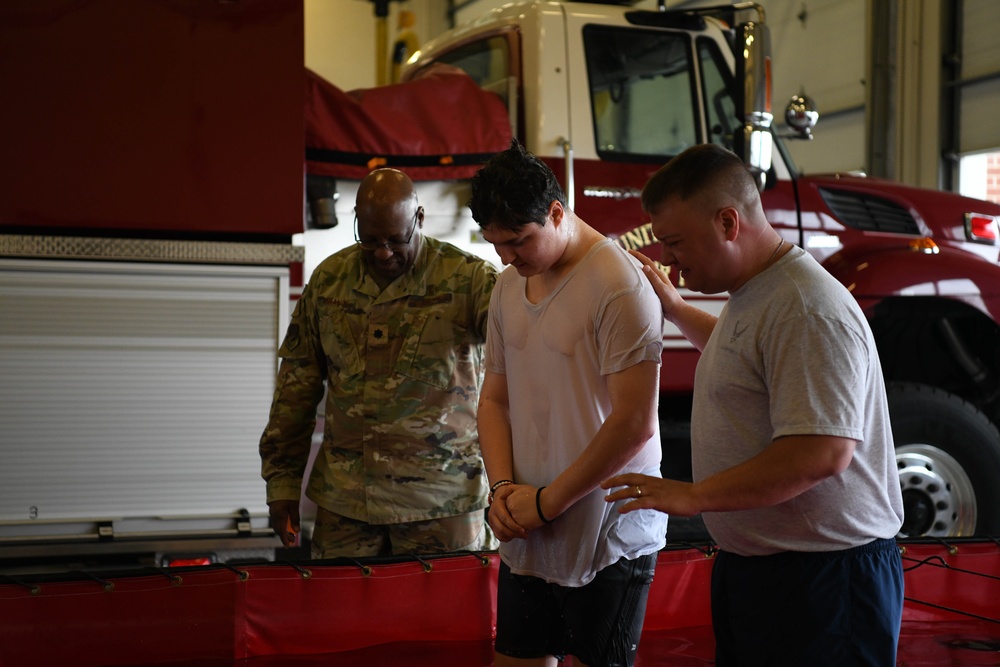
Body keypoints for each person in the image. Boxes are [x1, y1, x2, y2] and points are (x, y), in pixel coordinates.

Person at [603, 143, 905, 666]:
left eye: (674, 241)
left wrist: (693, 496)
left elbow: (820, 452)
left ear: (727, 222)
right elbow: (750, 360)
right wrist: (676, 310)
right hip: (765, 569)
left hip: (824, 581)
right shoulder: (759, 293)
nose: (668, 258)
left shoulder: (805, 307)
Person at [470, 140, 668, 667]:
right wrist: (505, 489)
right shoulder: (508, 285)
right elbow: (493, 399)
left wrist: (547, 503)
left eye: (518, 241)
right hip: (530, 525)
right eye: (495, 244)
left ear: (557, 213)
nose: (507, 258)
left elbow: (635, 424)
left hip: (606, 532)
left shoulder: (617, 285)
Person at [259, 167, 498, 558]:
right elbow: (295, 389)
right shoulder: (330, 281)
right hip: (348, 506)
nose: (383, 252)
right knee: (341, 616)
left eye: (395, 239)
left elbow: (525, 371)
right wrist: (282, 484)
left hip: (441, 504)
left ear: (419, 219)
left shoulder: (470, 281)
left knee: (447, 618)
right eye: (369, 240)